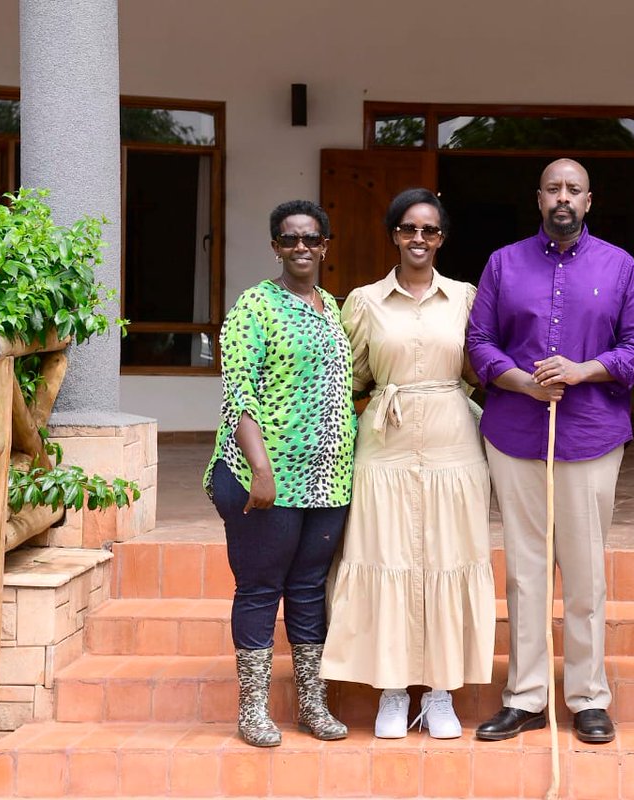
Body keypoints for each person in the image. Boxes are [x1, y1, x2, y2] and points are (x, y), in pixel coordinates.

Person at [467, 158, 634, 744]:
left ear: (589, 200)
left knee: (584, 571)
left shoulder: (619, 266)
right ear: (539, 198)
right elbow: (478, 342)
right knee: (525, 572)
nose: (563, 198)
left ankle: (588, 696)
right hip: (516, 435)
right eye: (554, 189)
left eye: (574, 189)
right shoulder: (503, 263)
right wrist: (521, 380)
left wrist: (584, 371)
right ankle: (525, 695)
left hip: (591, 437)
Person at [321, 188, 494, 740]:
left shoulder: (466, 297)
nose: (419, 239)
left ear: (442, 238)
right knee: (384, 556)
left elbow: (477, 369)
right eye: (408, 229)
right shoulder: (364, 301)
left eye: (431, 230)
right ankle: (393, 691)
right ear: (393, 234)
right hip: (385, 449)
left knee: (449, 556)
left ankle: (441, 691)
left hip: (453, 444)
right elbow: (349, 381)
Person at [203, 200, 354, 747]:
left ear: (324, 247)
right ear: (274, 246)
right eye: (289, 240)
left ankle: (312, 705)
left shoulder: (332, 306)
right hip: (264, 476)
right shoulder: (255, 305)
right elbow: (237, 390)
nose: (300, 249)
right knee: (261, 588)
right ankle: (253, 710)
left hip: (329, 478)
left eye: (310, 239)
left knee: (309, 589)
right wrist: (260, 468)